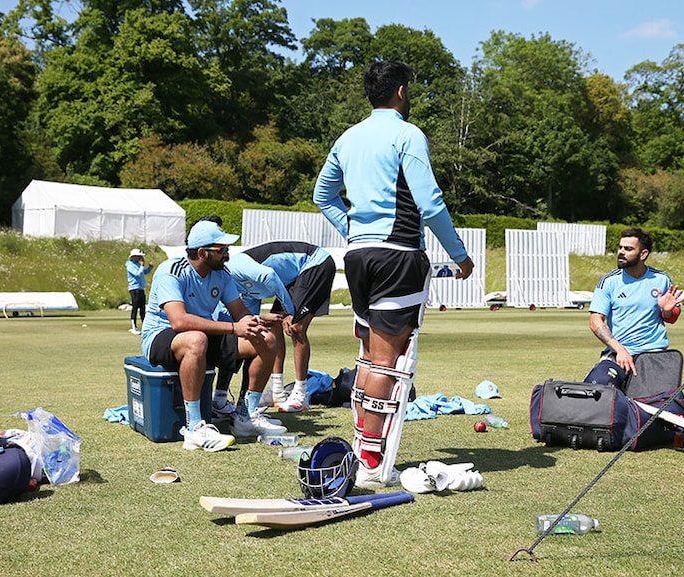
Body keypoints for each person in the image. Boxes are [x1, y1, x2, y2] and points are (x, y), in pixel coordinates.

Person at [313, 60, 475, 488]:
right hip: (398, 254)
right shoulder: (408, 134)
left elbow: (322, 194)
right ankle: (370, 464)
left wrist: (353, 229)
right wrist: (460, 255)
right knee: (388, 361)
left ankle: (364, 448)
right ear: (401, 91)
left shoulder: (347, 138)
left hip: (359, 255)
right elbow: (431, 201)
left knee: (368, 355)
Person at [140, 219, 284, 452]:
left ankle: (244, 418)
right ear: (201, 253)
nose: (228, 253)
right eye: (221, 249)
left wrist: (254, 321)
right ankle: (195, 429)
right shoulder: (171, 271)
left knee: (266, 339)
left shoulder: (223, 274)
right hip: (161, 336)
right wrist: (233, 328)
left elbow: (239, 312)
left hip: (203, 334)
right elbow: (179, 321)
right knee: (197, 339)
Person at [211, 240, 337, 416]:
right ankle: (276, 390)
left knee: (296, 327)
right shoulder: (236, 291)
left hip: (315, 263)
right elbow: (248, 324)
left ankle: (301, 393)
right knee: (266, 329)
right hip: (293, 277)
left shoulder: (234, 268)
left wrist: (289, 311)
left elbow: (269, 276)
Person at [584, 228, 684, 387]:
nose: (621, 252)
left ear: (643, 254)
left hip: (654, 354)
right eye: (620, 247)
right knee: (597, 385)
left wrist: (666, 310)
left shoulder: (661, 279)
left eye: (628, 249)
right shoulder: (609, 282)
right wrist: (620, 350)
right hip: (618, 354)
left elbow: (672, 317)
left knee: (667, 403)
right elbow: (595, 321)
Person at [126, 249, 153, 335]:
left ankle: (145, 327)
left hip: (140, 288)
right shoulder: (130, 265)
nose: (140, 258)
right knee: (135, 307)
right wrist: (141, 266)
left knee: (142, 308)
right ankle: (134, 327)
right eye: (139, 256)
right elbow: (137, 274)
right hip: (134, 289)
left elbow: (143, 272)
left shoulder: (138, 264)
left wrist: (149, 268)